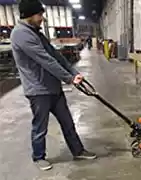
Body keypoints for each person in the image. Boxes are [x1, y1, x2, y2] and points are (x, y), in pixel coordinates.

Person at [10, 0, 97, 171]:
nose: (42, 18)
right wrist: (69, 78)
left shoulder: (36, 33)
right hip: (38, 90)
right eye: (40, 14)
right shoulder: (21, 34)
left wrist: (73, 72)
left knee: (67, 122)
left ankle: (78, 150)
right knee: (40, 127)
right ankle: (38, 157)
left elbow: (55, 56)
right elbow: (45, 60)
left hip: (53, 87)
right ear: (29, 14)